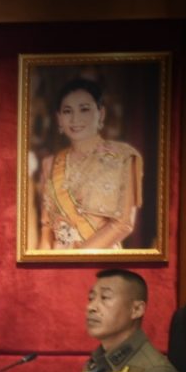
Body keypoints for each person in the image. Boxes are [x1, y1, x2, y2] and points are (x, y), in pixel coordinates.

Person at [38, 78, 143, 250]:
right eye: (67, 111)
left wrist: (77, 258)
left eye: (84, 109)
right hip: (58, 257)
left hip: (101, 258)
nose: (75, 119)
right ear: (59, 119)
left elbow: (123, 224)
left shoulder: (122, 157)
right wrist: (42, 263)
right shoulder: (50, 164)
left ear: (101, 114)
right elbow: (47, 228)